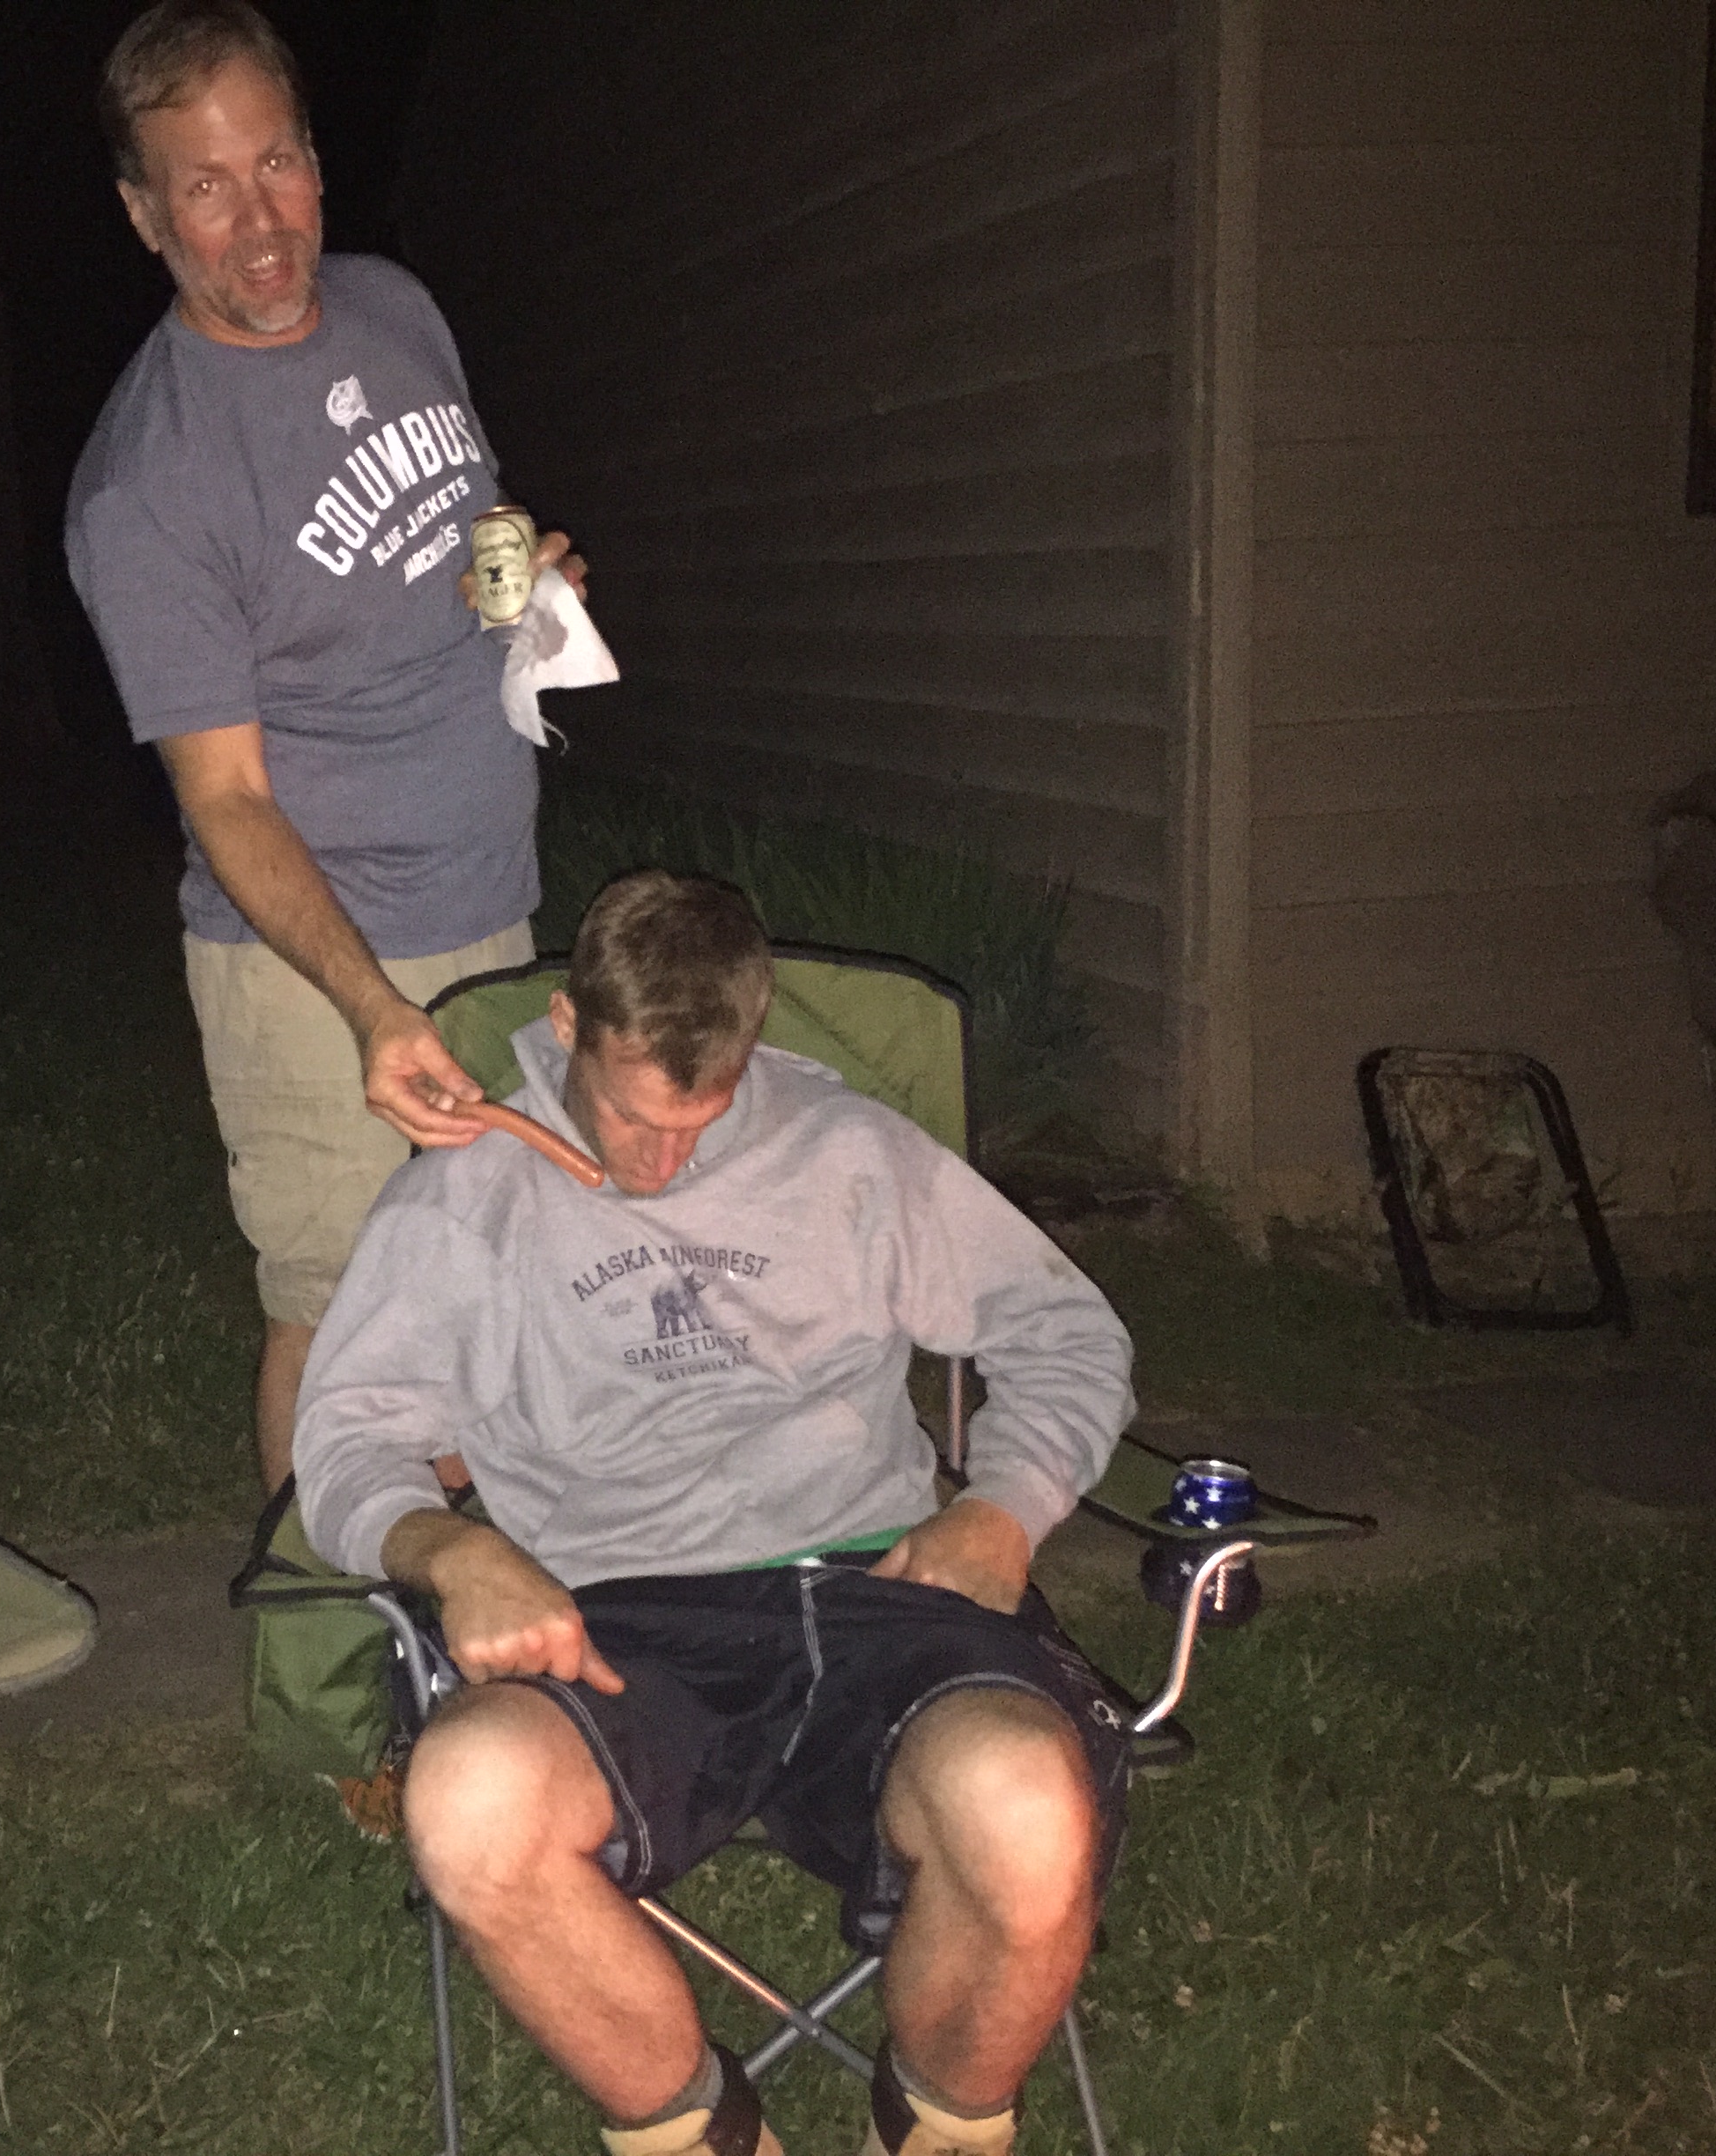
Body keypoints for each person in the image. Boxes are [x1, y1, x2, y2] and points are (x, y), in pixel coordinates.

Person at [295, 873, 1140, 2156]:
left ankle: (934, 2128)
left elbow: (1068, 1334)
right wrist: (452, 1550)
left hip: (881, 1592)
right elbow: (345, 1442)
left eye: (702, 1119)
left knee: (1025, 1804)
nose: (662, 1164)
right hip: (616, 1622)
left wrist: (1006, 1512)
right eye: (635, 1119)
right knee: (468, 1798)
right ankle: (700, 2135)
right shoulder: (466, 1196)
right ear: (570, 1026)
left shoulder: (850, 1152)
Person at [66, 0, 585, 1492]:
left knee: (480, 1295)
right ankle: (321, 1616)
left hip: (486, 902)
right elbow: (225, 797)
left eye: (276, 162)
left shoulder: (392, 308)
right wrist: (368, 1010)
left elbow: (458, 527)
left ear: (311, 153)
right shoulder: (148, 487)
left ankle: (453, 1592)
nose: (259, 223)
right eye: (206, 187)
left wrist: (518, 591)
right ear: (144, 213)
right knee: (340, 1314)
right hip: (314, 967)